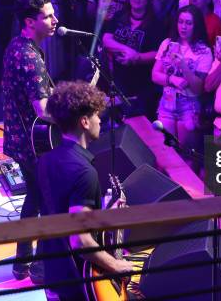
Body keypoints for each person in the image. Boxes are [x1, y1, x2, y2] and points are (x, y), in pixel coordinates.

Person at [37, 81, 134, 300]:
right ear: (84, 121)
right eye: (96, 116)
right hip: (78, 283)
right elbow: (80, 240)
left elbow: (64, 212)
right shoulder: (85, 173)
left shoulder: (46, 160)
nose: (100, 120)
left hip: (53, 274)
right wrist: (115, 265)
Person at [2, 0, 58, 281]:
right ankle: (40, 268)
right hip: (33, 146)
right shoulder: (29, 57)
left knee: (34, 200)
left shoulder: (17, 46)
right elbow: (44, 110)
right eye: (47, 16)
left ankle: (22, 263)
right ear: (29, 22)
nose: (54, 20)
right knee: (48, 205)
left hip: (21, 141)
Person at [152, 5, 213, 168]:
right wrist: (172, 79)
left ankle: (188, 192)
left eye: (188, 23)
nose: (183, 27)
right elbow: (154, 75)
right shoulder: (167, 44)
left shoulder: (204, 51)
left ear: (196, 25)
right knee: (165, 154)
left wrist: (184, 66)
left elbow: (198, 88)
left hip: (189, 105)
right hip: (167, 102)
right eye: (180, 22)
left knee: (186, 156)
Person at [102, 0, 164, 118]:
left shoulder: (156, 24)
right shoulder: (119, 17)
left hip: (142, 83)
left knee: (137, 120)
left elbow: (158, 53)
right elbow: (106, 39)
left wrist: (137, 58)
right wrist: (127, 50)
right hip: (118, 79)